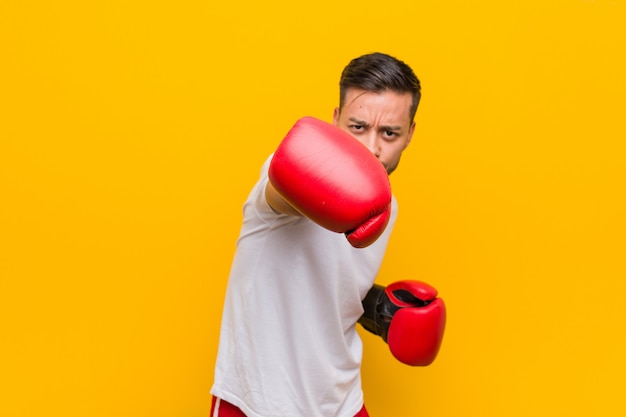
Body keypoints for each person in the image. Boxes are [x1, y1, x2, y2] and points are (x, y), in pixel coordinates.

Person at [210, 52, 445, 417]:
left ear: (410, 134)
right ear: (334, 120)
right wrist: (322, 181)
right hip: (259, 402)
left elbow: (329, 282)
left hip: (340, 402)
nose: (371, 148)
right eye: (357, 127)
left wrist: (376, 308)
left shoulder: (389, 206)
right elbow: (278, 193)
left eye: (389, 133)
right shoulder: (290, 171)